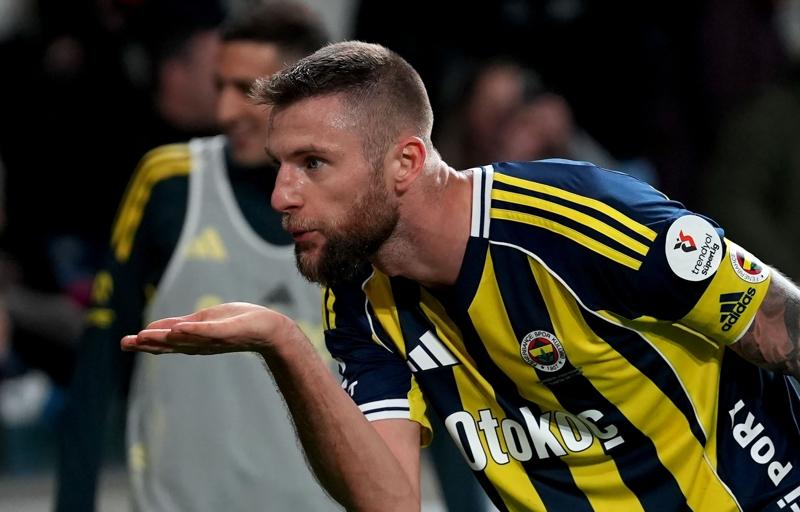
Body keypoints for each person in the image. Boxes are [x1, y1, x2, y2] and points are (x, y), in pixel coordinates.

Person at [123, 41, 800, 511]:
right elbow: (389, 502)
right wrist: (285, 345)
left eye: (313, 163)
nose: (281, 195)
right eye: (280, 166)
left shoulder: (576, 219)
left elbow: (779, 327)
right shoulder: (357, 295)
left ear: (405, 162)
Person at [55, 3, 339, 511]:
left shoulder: (363, 209)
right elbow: (97, 364)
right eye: (219, 86)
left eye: (247, 89)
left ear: (310, 96)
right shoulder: (168, 185)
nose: (225, 111)